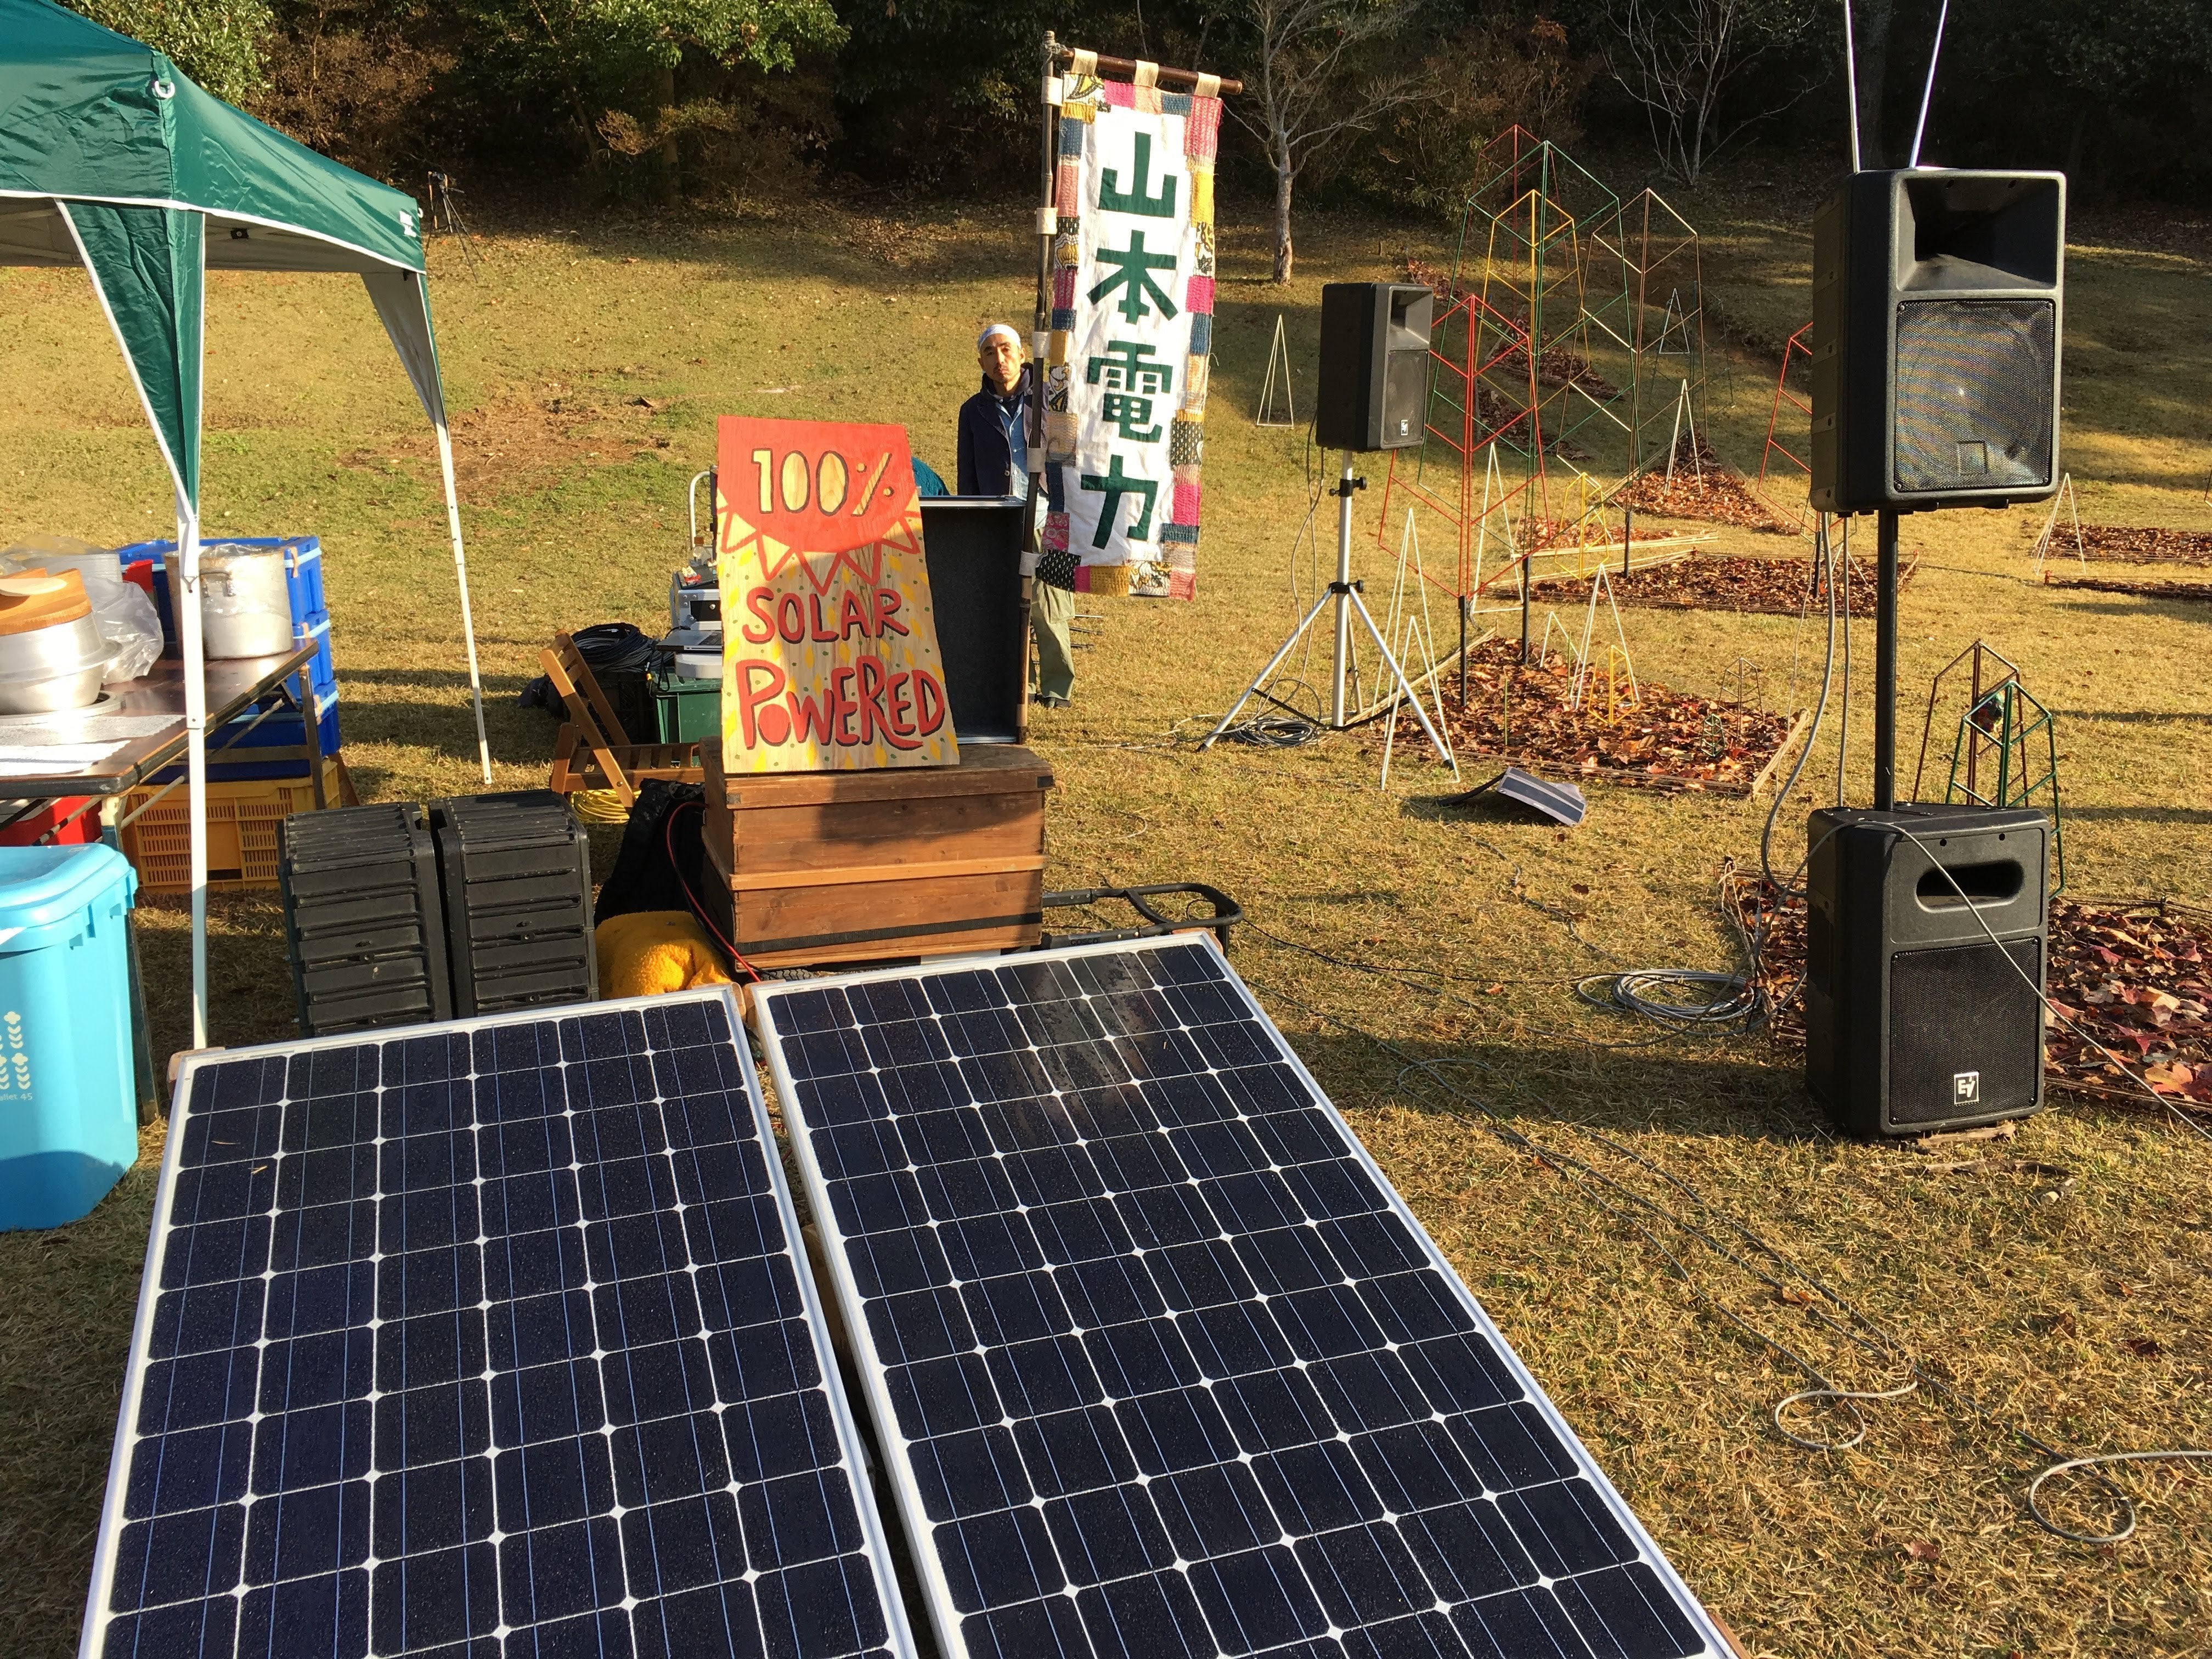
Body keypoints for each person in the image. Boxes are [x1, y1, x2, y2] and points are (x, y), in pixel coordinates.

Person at [957, 323, 1075, 707]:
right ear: (981, 362)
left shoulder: (1048, 401)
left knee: (1049, 607)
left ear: (1022, 355)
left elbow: (1070, 457)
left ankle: (1057, 688)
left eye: (1006, 349)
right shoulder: (972, 411)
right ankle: (1020, 685)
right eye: (990, 352)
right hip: (999, 523)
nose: (999, 359)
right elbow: (967, 472)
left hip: (1045, 517)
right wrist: (973, 523)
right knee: (1009, 610)